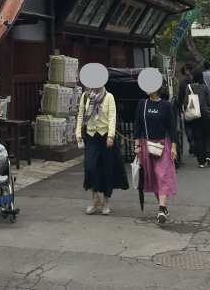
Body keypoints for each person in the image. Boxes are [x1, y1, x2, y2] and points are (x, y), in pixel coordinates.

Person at [76, 83, 128, 216]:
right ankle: (95, 198)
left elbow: (112, 117)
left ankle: (106, 200)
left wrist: (111, 135)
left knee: (107, 168)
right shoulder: (85, 96)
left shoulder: (109, 97)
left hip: (105, 136)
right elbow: (81, 116)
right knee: (89, 165)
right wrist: (77, 132)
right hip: (91, 135)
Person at [133, 81, 178, 224]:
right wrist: (137, 145)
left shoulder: (166, 105)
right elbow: (138, 124)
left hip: (163, 145)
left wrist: (174, 147)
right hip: (147, 145)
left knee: (162, 175)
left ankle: (162, 208)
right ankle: (162, 207)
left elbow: (172, 126)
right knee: (152, 177)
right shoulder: (142, 104)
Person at [185, 69, 210, 168]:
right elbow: (209, 102)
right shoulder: (205, 87)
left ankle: (201, 161)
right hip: (205, 114)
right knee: (207, 136)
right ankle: (208, 156)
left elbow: (185, 102)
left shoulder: (189, 87)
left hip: (194, 114)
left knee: (198, 136)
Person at [177, 63, 195, 155]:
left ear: (187, 70)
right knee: (196, 125)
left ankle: (191, 141)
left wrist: (180, 106)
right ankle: (197, 144)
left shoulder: (183, 82)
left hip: (186, 105)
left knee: (188, 125)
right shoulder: (196, 79)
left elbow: (180, 96)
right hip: (196, 105)